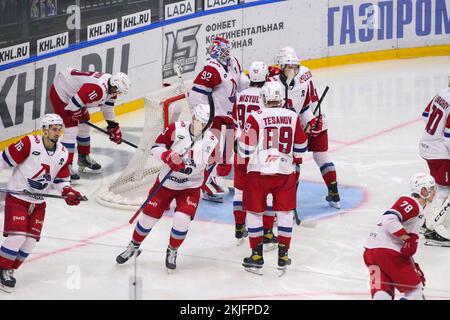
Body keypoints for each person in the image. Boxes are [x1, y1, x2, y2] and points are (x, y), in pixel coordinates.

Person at [116, 104, 217, 272]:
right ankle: (134, 246)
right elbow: (155, 147)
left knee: (181, 220)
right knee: (148, 217)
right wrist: (167, 156)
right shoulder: (176, 129)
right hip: (166, 183)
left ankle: (172, 250)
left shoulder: (212, 141)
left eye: (206, 124)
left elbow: (212, 165)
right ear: (193, 118)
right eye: (200, 122)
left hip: (191, 187)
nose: (203, 127)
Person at [0, 114, 83, 292]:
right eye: (54, 129)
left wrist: (68, 192)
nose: (58, 132)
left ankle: (9, 269)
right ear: (44, 129)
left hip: (39, 202)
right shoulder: (30, 142)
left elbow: (62, 179)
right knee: (17, 237)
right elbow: (4, 160)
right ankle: (3, 269)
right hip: (18, 197)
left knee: (30, 242)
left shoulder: (63, 152)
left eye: (60, 129)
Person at [237, 81, 308, 275]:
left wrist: (237, 143)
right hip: (285, 171)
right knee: (284, 213)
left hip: (258, 172)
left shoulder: (255, 116)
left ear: (263, 98)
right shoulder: (293, 117)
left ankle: (256, 255)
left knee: (254, 212)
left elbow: (245, 150)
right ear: (281, 99)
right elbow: (301, 148)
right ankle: (283, 255)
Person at [272, 46, 341, 209]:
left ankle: (333, 192)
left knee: (313, 157)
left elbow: (305, 107)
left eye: (295, 67)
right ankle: (293, 199)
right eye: (289, 67)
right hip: (297, 125)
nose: (293, 70)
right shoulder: (275, 84)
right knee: (297, 160)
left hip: (310, 121)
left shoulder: (299, 80)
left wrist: (310, 121)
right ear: (281, 66)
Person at [188, 36, 249, 203]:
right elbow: (196, 95)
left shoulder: (233, 62)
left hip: (231, 114)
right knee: (213, 149)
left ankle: (215, 179)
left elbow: (241, 83)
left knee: (228, 150)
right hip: (214, 115)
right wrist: (199, 116)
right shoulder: (211, 68)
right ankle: (205, 182)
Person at [363, 173, 435, 300]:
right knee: (415, 290)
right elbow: (389, 219)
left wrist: (413, 263)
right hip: (387, 252)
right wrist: (408, 238)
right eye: (431, 188)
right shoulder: (412, 203)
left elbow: (405, 241)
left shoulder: (417, 209)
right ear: (423, 190)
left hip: (370, 252)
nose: (434, 191)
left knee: (383, 290)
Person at [50, 67, 130, 181]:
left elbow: (107, 108)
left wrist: (112, 126)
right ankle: (64, 166)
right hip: (62, 90)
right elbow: (72, 106)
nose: (117, 94)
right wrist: (74, 113)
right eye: (118, 91)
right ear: (114, 86)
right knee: (71, 129)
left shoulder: (111, 88)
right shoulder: (97, 89)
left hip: (75, 95)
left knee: (84, 126)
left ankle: (83, 158)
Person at [231, 61, 277, 250]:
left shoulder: (240, 95)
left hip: (240, 144)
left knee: (239, 191)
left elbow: (234, 120)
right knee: (266, 193)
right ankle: (267, 232)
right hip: (259, 149)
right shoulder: (265, 95)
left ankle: (239, 227)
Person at [419, 79, 450, 246]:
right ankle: (435, 228)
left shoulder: (443, 93)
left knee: (440, 187)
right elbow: (448, 136)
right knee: (445, 190)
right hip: (439, 151)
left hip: (427, 145)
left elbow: (425, 116)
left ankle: (426, 223)